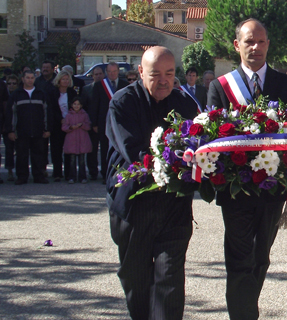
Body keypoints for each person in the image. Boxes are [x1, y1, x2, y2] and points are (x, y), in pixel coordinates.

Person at [207, 18, 287, 320]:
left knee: (260, 258)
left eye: (261, 41)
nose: (256, 47)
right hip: (235, 189)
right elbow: (212, 138)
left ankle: (247, 309)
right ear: (237, 45)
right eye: (249, 41)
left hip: (272, 189)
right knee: (239, 259)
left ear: (268, 45)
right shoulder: (219, 88)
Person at [106, 46, 198, 320]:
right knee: (136, 280)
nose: (163, 80)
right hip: (134, 204)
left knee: (169, 278)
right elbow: (132, 150)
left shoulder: (185, 104)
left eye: (169, 73)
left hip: (174, 204)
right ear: (140, 73)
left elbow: (198, 146)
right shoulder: (122, 103)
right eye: (155, 74)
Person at [5, 70, 52, 185]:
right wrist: (11, 131)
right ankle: (22, 176)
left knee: (39, 155)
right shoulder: (16, 94)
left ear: (34, 79)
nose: (30, 80)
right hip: (21, 131)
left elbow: (47, 112)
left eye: (32, 78)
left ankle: (39, 176)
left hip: (38, 130)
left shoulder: (41, 93)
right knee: (21, 155)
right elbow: (11, 114)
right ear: (23, 79)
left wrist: (47, 129)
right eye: (27, 78)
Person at [88, 62, 128, 182]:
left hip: (121, 123)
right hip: (103, 123)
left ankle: (119, 174)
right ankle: (106, 174)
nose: (112, 74)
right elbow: (94, 105)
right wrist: (94, 123)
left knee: (119, 149)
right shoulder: (99, 85)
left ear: (118, 72)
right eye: (110, 72)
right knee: (105, 149)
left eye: (114, 71)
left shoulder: (124, 85)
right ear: (106, 73)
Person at [49, 70, 78, 182]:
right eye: (63, 79)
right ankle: (57, 173)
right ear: (59, 80)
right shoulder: (53, 92)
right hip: (57, 125)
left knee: (68, 150)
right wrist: (60, 119)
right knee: (56, 150)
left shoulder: (72, 93)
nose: (65, 81)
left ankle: (68, 173)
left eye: (67, 79)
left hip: (69, 125)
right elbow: (52, 109)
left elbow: (76, 106)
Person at [80, 66, 105, 180]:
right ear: (92, 76)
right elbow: (83, 107)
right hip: (91, 124)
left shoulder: (107, 88)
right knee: (92, 150)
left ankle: (105, 172)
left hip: (104, 124)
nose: (98, 76)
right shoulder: (87, 89)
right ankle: (92, 172)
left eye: (100, 74)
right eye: (96, 74)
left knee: (105, 149)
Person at [62, 97, 92, 183]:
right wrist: (71, 127)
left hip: (82, 140)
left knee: (82, 161)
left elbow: (88, 126)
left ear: (81, 105)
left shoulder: (84, 114)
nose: (76, 106)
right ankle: (72, 177)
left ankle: (83, 177)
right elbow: (64, 127)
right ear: (71, 105)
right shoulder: (68, 115)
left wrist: (82, 125)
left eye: (78, 104)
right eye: (75, 104)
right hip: (72, 141)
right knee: (72, 160)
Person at [3, 75, 19, 181]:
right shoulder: (3, 96)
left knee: (21, 150)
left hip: (20, 126)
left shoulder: (20, 94)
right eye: (9, 83)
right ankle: (9, 171)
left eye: (14, 83)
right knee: (9, 150)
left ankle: (20, 171)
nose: (11, 85)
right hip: (7, 126)